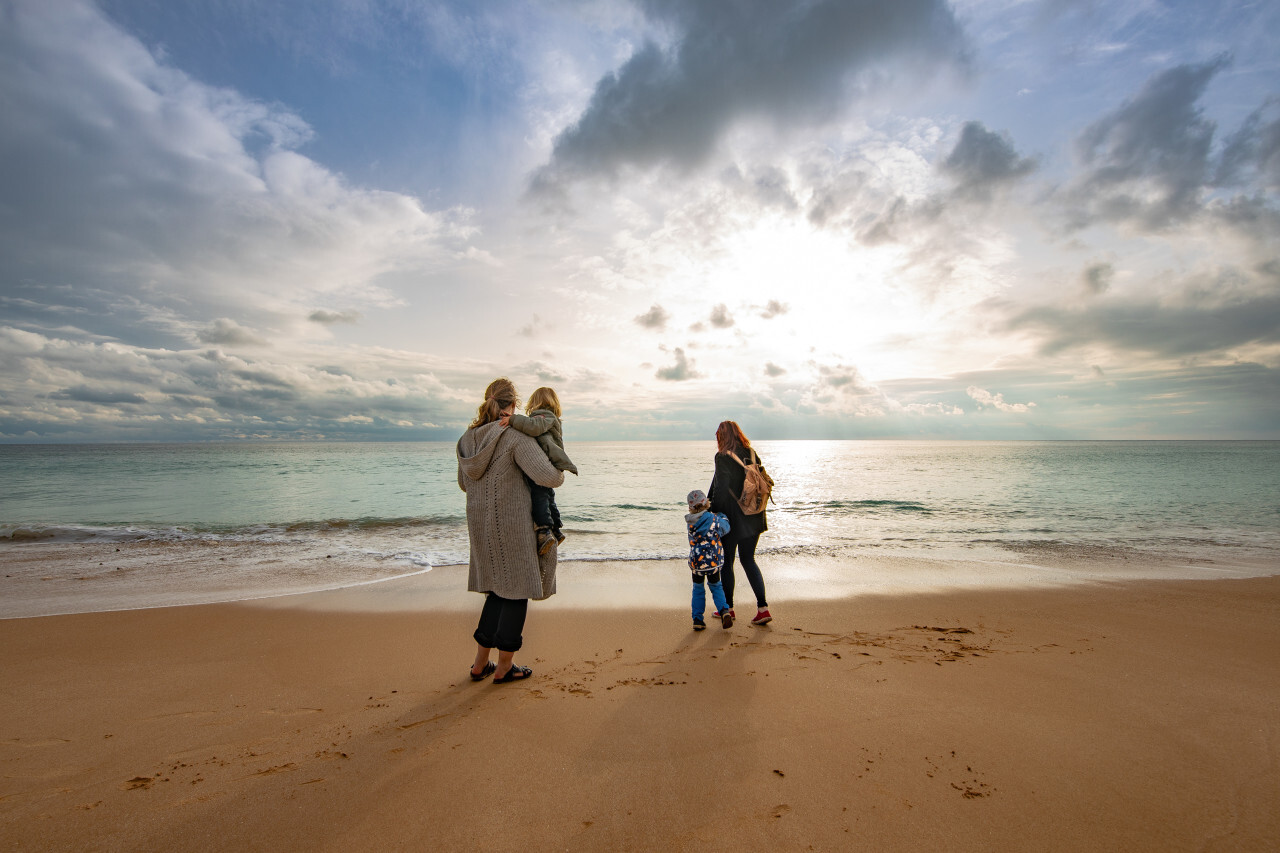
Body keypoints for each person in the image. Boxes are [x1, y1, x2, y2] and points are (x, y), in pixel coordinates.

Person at [457, 378, 565, 684]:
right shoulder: (514, 435)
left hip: (480, 528)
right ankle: (504, 667)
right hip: (512, 527)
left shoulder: (466, 439)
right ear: (513, 405)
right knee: (517, 593)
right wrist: (557, 461)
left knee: (496, 592)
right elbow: (550, 477)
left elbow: (465, 483)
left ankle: (480, 666)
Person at [707, 420, 772, 626]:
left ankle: (729, 609)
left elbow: (721, 487)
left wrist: (712, 512)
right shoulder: (751, 453)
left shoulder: (723, 456)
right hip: (755, 515)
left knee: (728, 562)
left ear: (722, 436)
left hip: (734, 518)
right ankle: (763, 609)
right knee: (749, 559)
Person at [501, 386, 577, 556]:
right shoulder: (551, 418)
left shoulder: (544, 417)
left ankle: (544, 531)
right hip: (549, 462)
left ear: (536, 403)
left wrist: (513, 420)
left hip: (544, 463)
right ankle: (556, 529)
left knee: (539, 495)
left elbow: (533, 427)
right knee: (548, 496)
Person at [685, 489, 733, 631]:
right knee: (716, 586)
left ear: (691, 507)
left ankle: (698, 619)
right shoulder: (714, 519)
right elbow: (726, 528)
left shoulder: (690, 522)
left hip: (696, 562)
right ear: (706, 503)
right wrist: (722, 516)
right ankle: (724, 611)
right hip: (712, 561)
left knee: (698, 588)